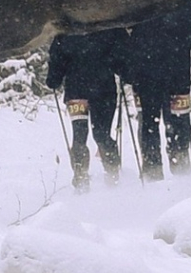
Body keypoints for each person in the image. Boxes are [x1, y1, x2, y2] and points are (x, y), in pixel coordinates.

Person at [124, 0, 191, 181]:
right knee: (170, 121)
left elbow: (126, 35)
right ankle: (175, 166)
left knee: (153, 122)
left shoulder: (140, 2)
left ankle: (162, 170)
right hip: (168, 72)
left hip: (154, 73)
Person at [46, 28, 129, 191]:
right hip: (103, 90)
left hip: (77, 90)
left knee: (80, 134)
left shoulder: (68, 29)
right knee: (101, 134)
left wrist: (54, 78)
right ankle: (112, 175)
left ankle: (81, 176)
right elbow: (120, 56)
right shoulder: (108, 25)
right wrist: (126, 72)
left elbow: (57, 57)